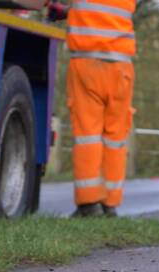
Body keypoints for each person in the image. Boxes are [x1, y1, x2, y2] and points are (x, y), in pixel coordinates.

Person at [48, 0, 137, 217]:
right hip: (122, 67)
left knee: (88, 135)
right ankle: (110, 204)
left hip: (88, 63)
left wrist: (58, 10)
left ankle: (89, 204)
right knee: (115, 137)